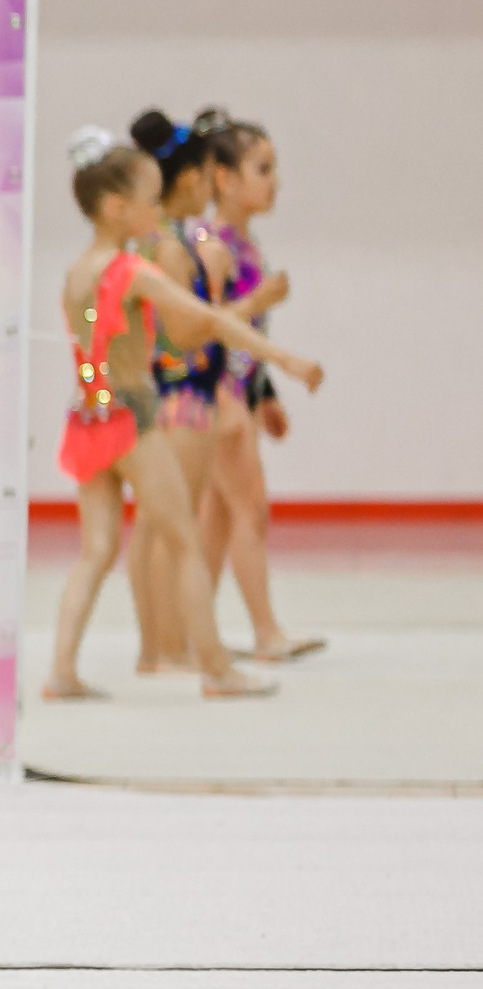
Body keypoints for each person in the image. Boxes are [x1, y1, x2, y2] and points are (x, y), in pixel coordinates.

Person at [41, 129, 322, 703]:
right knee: (186, 542)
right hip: (131, 423)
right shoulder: (129, 272)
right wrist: (284, 358)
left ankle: (61, 671)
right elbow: (208, 322)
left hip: (87, 420)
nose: (156, 208)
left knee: (96, 550)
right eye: (148, 200)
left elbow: (88, 357)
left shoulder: (75, 273)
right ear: (117, 209)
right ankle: (216, 669)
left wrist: (98, 397)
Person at [198, 111, 323, 662]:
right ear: (224, 178)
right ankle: (265, 632)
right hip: (214, 395)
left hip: (237, 393)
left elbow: (244, 337)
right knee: (248, 509)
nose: (274, 182)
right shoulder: (212, 244)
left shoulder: (243, 244)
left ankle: (190, 631)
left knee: (220, 518)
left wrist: (264, 392)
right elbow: (209, 326)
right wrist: (262, 300)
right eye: (262, 169)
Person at [121, 109, 235, 674]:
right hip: (183, 396)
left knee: (156, 526)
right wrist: (225, 298)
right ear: (191, 178)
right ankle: (167, 645)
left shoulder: (152, 240)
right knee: (173, 528)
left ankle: (156, 646)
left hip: (163, 394)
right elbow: (183, 333)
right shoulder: (169, 246)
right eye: (212, 174)